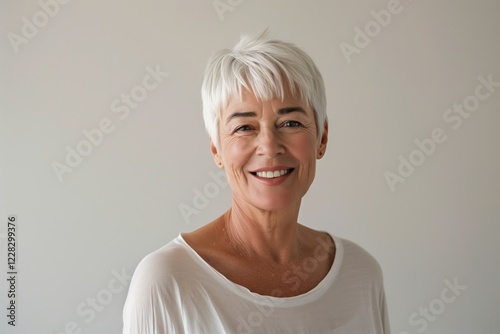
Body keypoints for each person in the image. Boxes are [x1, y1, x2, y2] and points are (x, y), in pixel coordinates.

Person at [122, 30, 390, 333]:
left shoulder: (361, 274)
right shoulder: (167, 281)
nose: (269, 146)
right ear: (216, 149)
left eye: (290, 123)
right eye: (244, 127)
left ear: (322, 137)